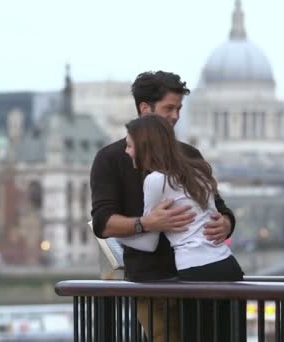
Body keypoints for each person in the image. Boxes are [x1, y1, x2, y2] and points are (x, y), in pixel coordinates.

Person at [90, 71, 239, 341]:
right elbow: (102, 222)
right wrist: (147, 223)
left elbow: (219, 207)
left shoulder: (191, 155)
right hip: (152, 282)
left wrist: (226, 223)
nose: (176, 116)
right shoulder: (110, 159)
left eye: (179, 109)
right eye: (169, 108)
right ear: (144, 109)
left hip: (200, 277)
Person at [118, 114, 244, 282]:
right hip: (227, 263)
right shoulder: (196, 172)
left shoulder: (155, 180)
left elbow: (149, 243)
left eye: (129, 146)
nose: (126, 151)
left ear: (143, 147)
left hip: (195, 268)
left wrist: (114, 236)